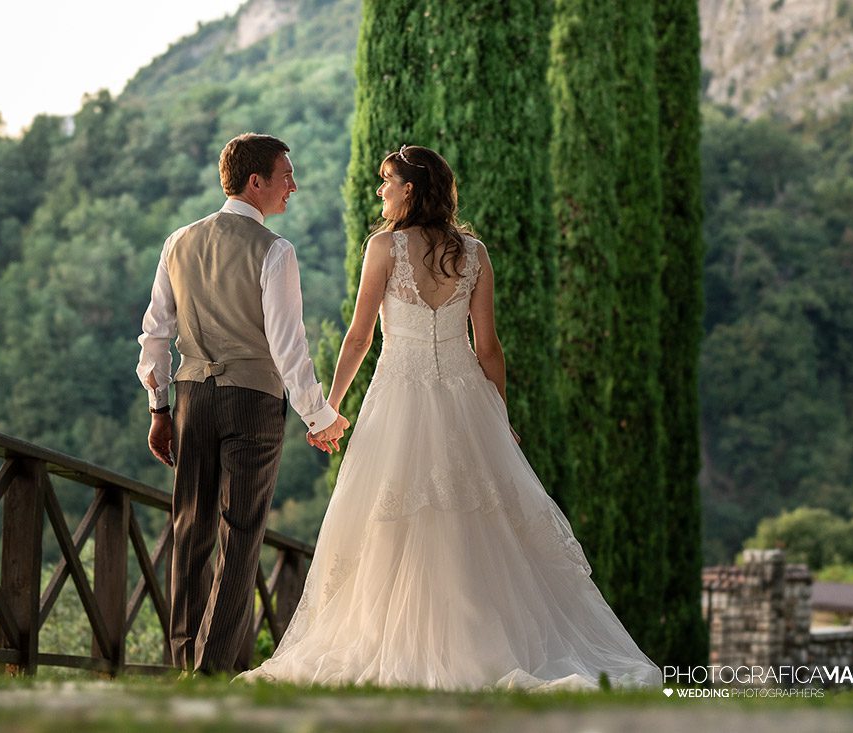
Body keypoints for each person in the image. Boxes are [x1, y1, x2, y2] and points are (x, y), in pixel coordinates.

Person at [237, 145, 662, 691]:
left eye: (387, 182)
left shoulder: (384, 248)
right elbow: (489, 349)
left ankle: (412, 649)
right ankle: (478, 645)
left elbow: (361, 335)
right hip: (468, 401)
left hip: (399, 398)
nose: (380, 192)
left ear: (410, 189)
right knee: (473, 524)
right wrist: (498, 416)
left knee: (394, 524)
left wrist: (330, 408)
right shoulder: (475, 252)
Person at [136, 132, 349, 675]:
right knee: (240, 535)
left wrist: (160, 409)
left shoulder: (177, 241)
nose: (293, 187)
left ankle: (185, 664)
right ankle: (208, 674)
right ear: (257, 182)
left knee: (190, 528)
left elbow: (155, 335)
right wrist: (318, 416)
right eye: (286, 177)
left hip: (191, 398)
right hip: (252, 401)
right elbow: (287, 344)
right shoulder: (275, 250)